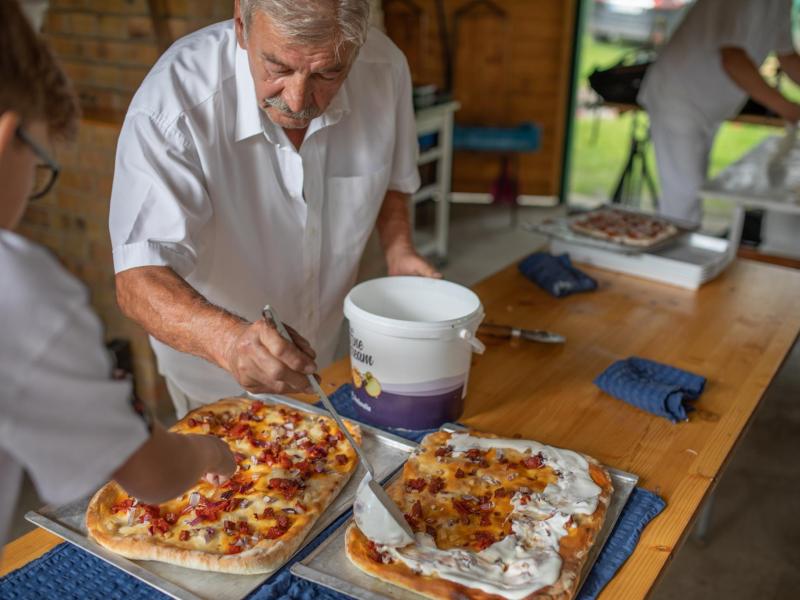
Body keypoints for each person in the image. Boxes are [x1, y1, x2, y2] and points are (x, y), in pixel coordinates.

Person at [110, 0, 438, 418]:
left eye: (327, 73)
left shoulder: (386, 67)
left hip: (330, 361)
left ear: (355, 49)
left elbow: (393, 176)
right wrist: (230, 342)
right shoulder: (173, 103)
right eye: (278, 67)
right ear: (241, 26)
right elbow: (139, 278)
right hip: (216, 384)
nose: (298, 100)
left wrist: (399, 248)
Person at [0, 0, 236, 550]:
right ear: (8, 137)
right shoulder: (21, 292)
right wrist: (208, 452)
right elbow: (151, 475)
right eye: (38, 167)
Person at [638, 0, 800, 225]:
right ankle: (673, 255)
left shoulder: (781, 4)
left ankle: (679, 249)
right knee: (685, 196)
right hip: (679, 96)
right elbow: (733, 60)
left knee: (690, 190)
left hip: (707, 106)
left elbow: (788, 56)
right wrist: (790, 110)